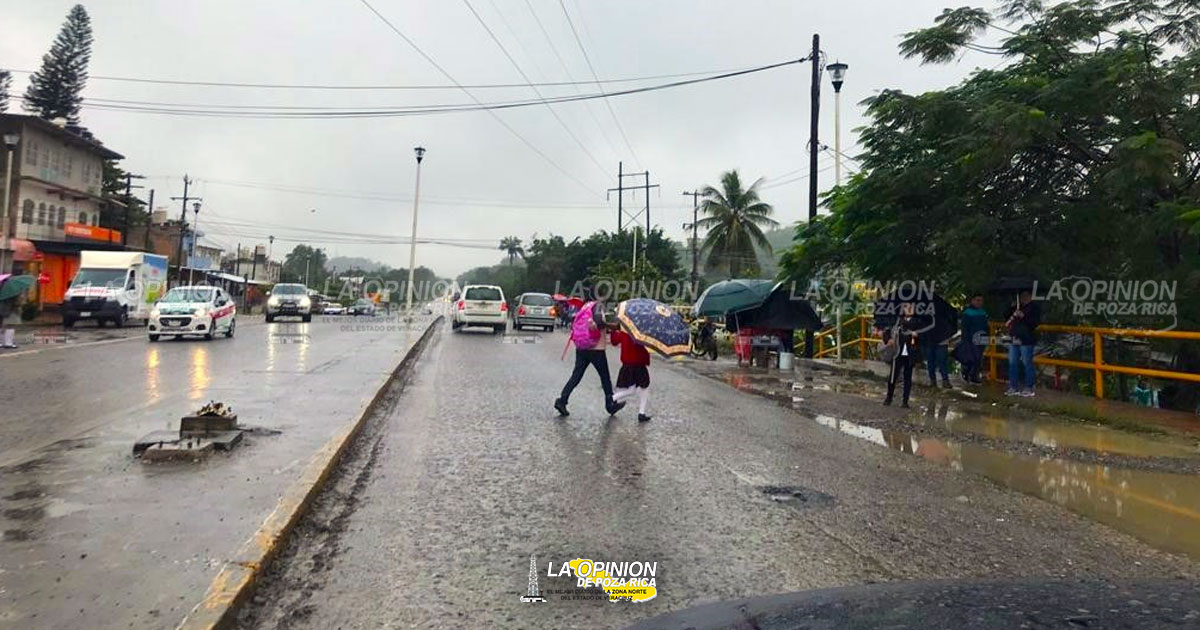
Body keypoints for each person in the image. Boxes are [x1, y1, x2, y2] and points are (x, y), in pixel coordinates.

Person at [554, 291, 625, 417]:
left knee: (576, 376)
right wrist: (612, 326)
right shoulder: (597, 306)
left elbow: (575, 320)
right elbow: (598, 323)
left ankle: (562, 400)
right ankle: (610, 405)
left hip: (582, 347)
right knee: (605, 378)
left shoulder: (585, 307)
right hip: (596, 348)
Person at [610, 328, 652, 422]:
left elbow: (614, 341)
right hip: (639, 364)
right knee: (642, 388)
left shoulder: (625, 331)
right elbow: (644, 349)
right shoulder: (642, 332)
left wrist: (613, 330)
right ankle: (641, 413)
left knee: (634, 389)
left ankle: (613, 398)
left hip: (627, 364)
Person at [1004, 289, 1041, 397]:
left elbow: (1035, 323)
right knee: (1012, 363)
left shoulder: (1034, 308)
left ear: (1030, 296)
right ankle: (1013, 386)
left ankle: (1029, 387)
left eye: (1026, 295)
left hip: (1026, 339)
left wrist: (1023, 316)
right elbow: (1006, 316)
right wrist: (1012, 308)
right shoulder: (1016, 307)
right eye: (1022, 296)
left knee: (1027, 362)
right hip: (1014, 337)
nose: (1024, 298)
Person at [883, 303, 920, 408]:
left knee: (908, 378)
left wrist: (916, 336)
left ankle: (905, 401)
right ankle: (889, 397)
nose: (909, 309)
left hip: (910, 353)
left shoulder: (917, 322)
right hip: (897, 352)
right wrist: (888, 340)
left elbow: (922, 338)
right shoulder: (897, 321)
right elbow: (887, 332)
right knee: (893, 377)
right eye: (907, 307)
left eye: (912, 307)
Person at [959, 294, 989, 384]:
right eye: (977, 300)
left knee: (978, 358)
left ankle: (974, 375)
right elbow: (964, 328)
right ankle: (966, 373)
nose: (979, 302)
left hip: (981, 339)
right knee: (970, 358)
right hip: (970, 339)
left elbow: (986, 326)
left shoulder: (983, 312)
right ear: (972, 301)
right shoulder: (968, 313)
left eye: (981, 300)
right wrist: (966, 340)